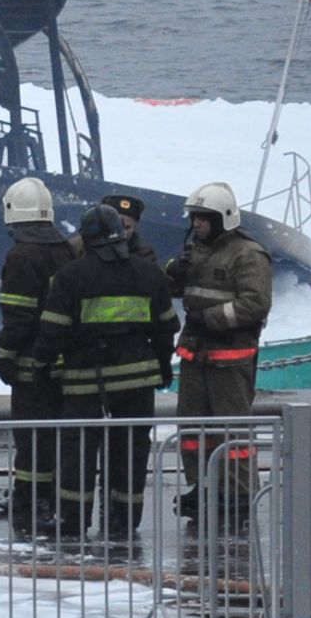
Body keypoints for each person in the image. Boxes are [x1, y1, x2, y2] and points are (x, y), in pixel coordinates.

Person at [33, 204, 180, 541]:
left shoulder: (71, 276)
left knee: (78, 455)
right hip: (138, 381)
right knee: (129, 453)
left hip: (85, 382)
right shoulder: (149, 273)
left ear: (87, 238)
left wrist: (42, 364)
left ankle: (72, 521)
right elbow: (166, 327)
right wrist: (161, 364)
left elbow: (52, 330)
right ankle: (123, 521)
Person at [164, 181, 272, 528]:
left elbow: (255, 303)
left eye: (203, 218)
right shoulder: (195, 250)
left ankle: (239, 494)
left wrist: (212, 319)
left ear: (223, 218)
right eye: (194, 218)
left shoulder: (247, 254)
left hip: (230, 359)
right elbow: (172, 287)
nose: (196, 224)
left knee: (232, 432)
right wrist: (173, 273)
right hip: (197, 356)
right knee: (192, 429)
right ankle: (203, 486)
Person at [0, 176, 75, 537]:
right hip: (63, 363)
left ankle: (30, 499)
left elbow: (19, 316)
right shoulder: (65, 250)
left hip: (30, 366)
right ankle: (49, 497)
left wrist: (5, 356)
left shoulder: (21, 255)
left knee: (30, 438)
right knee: (54, 435)